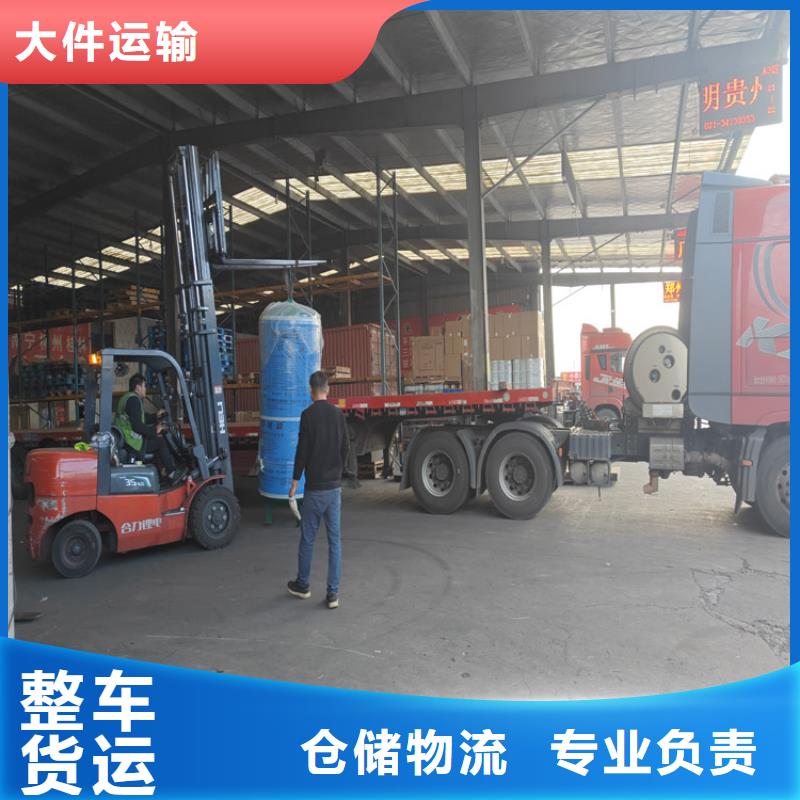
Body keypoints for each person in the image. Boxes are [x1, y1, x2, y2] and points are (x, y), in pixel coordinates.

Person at [287, 370, 350, 610]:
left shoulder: (307, 416)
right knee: (335, 542)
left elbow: (302, 451)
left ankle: (303, 585)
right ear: (328, 389)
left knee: (308, 539)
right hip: (334, 489)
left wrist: (295, 481)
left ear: (310, 390)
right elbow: (345, 448)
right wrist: (338, 472)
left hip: (314, 489)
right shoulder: (338, 415)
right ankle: (333, 594)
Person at [115, 374, 183, 484]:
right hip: (133, 443)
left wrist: (156, 416)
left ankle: (160, 475)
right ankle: (172, 473)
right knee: (160, 441)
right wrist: (155, 430)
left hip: (128, 440)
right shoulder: (134, 400)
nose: (145, 389)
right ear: (138, 387)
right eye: (144, 386)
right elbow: (137, 426)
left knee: (156, 437)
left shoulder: (127, 398)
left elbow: (140, 418)